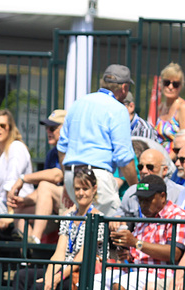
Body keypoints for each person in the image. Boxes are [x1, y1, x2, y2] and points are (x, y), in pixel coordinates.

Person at [104, 174, 185, 290]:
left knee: (119, 286)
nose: (143, 204)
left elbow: (174, 253)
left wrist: (136, 243)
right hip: (139, 271)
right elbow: (138, 253)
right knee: (97, 281)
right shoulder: (142, 217)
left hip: (161, 272)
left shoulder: (177, 216)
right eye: (140, 200)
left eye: (148, 200)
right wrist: (126, 253)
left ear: (162, 197)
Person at [57, 63, 139, 215]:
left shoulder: (78, 103)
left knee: (81, 231)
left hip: (71, 176)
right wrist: (136, 188)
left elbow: (62, 148)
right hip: (97, 177)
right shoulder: (118, 109)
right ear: (124, 88)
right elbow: (124, 158)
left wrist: (68, 182)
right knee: (111, 231)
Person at [7, 109, 67, 242]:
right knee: (19, 210)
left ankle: (35, 240)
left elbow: (57, 176)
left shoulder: (72, 148)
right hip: (58, 206)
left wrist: (23, 178)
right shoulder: (52, 154)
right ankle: (28, 254)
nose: (48, 132)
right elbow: (46, 191)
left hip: (74, 205)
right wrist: (24, 201)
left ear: (66, 128)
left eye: (52, 128)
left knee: (44, 185)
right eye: (47, 128)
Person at [119, 148, 185, 218]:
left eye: (150, 167)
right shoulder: (132, 191)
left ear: (165, 170)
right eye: (140, 167)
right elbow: (121, 214)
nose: (144, 171)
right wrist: (117, 219)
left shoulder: (179, 192)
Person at [148, 63, 185, 154]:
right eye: (167, 83)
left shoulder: (183, 107)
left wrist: (167, 160)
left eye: (175, 84)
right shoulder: (161, 107)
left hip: (175, 157)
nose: (170, 87)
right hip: (159, 155)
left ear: (181, 86)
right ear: (161, 84)